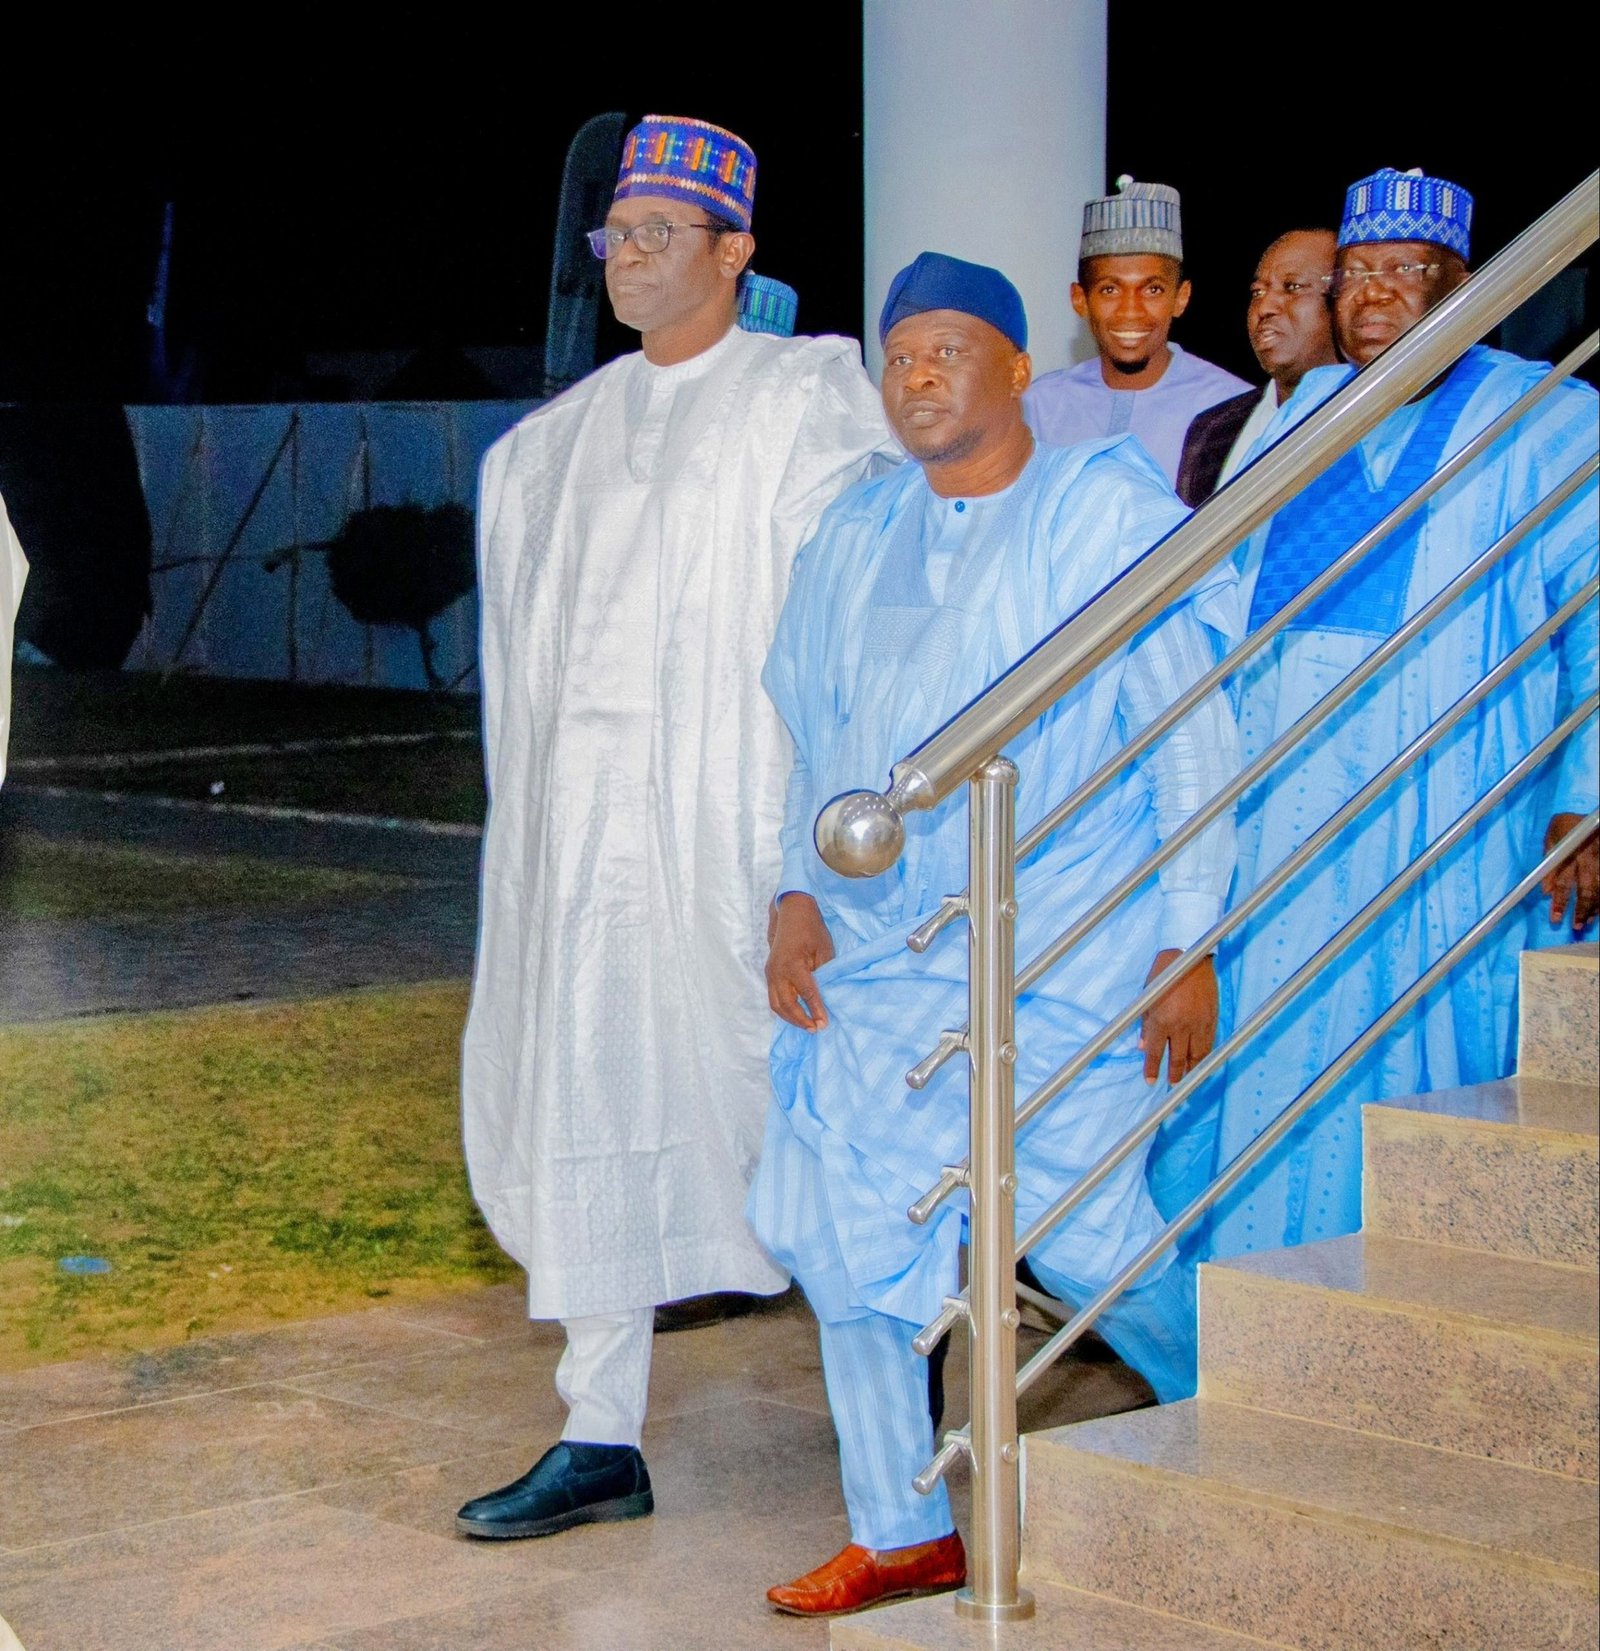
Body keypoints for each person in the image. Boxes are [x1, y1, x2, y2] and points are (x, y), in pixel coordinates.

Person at [751, 252, 1239, 1617]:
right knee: (842, 1226)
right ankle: (901, 1523)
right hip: (874, 946)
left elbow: (1188, 727)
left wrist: (1188, 934)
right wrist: (793, 890)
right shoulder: (855, 528)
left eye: (948, 350)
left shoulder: (1101, 514)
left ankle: (1245, 1393)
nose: (916, 374)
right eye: (900, 354)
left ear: (1020, 367)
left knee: (1078, 1233)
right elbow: (816, 743)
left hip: (1068, 932)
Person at [455, 115, 898, 1541]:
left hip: (738, 840)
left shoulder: (808, 399)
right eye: (616, 236)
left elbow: (855, 635)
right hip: (582, 853)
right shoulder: (552, 448)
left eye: (659, 235)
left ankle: (906, 1404)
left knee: (791, 1104)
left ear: (735, 250)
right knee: (588, 1093)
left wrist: (817, 843)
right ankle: (599, 1426)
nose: (630, 259)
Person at [1210, 167, 1599, 1259]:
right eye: (1358, 274)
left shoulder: (1544, 416)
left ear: (1461, 286)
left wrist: (1586, 795)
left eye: (1405, 273)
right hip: (1283, 827)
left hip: (1452, 815)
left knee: (1440, 1061)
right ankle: (1255, 1303)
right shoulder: (1301, 418)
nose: (1374, 294)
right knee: (1271, 1063)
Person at [1025, 177, 1250, 486]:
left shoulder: (1231, 408)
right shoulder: (1039, 407)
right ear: (1080, 299)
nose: (1131, 311)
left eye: (1153, 289)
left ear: (1181, 298)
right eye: (1109, 290)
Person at [1177, 229, 1340, 506]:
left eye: (1292, 287)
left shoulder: (1370, 414)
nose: (1265, 306)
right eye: (1257, 292)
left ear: (1341, 299)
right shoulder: (1212, 430)